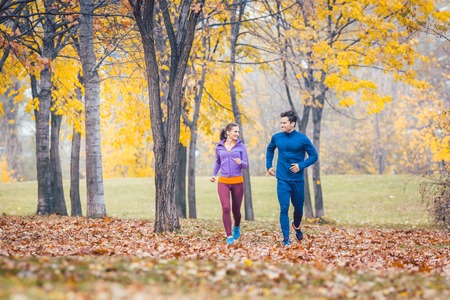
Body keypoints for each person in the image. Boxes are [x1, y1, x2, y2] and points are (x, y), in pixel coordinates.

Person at [266, 110, 318, 247]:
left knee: (299, 209)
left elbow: (314, 156)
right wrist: (269, 165)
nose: (281, 125)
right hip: (282, 179)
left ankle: (296, 225)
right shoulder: (277, 137)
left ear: (292, 123)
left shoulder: (302, 139)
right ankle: (286, 239)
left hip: (297, 180)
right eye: (281, 122)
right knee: (284, 208)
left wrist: (301, 165)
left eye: (284, 123)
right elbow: (270, 149)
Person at [211, 123, 248, 245]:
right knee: (226, 208)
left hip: (237, 182)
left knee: (236, 211)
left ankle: (236, 226)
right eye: (235, 131)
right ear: (228, 132)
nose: (237, 134)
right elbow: (217, 162)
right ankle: (229, 236)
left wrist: (240, 162)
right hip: (223, 182)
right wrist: (213, 174)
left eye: (238, 132)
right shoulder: (219, 147)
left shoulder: (241, 146)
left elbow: (246, 165)